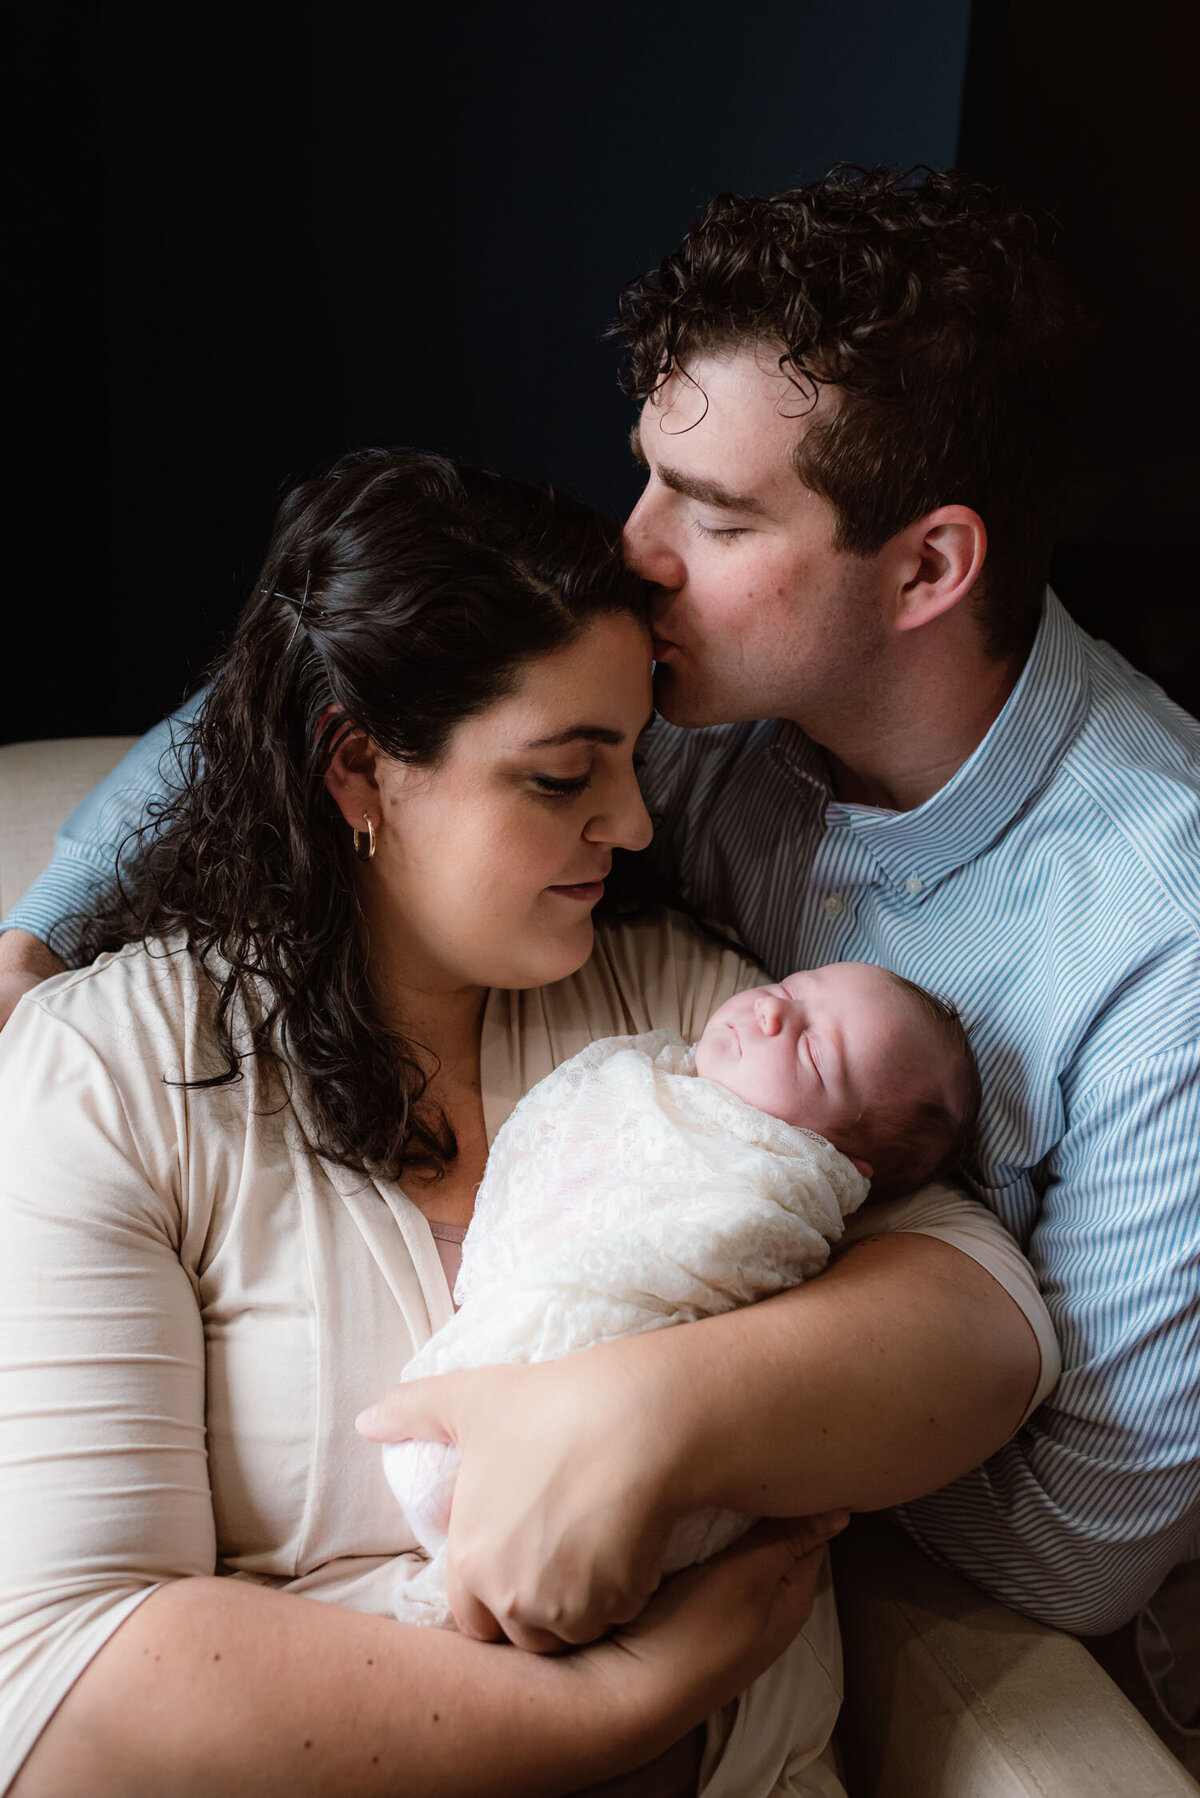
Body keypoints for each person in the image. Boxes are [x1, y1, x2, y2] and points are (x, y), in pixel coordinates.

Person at [0, 448, 1052, 1797]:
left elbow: (986, 1328)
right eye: (562, 777)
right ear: (362, 770)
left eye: (632, 756)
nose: (628, 818)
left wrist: (641, 1413)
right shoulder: (116, 1069)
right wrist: (618, 1702)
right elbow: (61, 1679)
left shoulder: (684, 1005)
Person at [385, 960, 982, 1630]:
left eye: (813, 1052)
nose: (770, 1013)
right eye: (789, 989)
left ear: (843, 1159)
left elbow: (705, 1257)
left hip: (600, 1465)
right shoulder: (649, 1075)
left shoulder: (769, 1183)